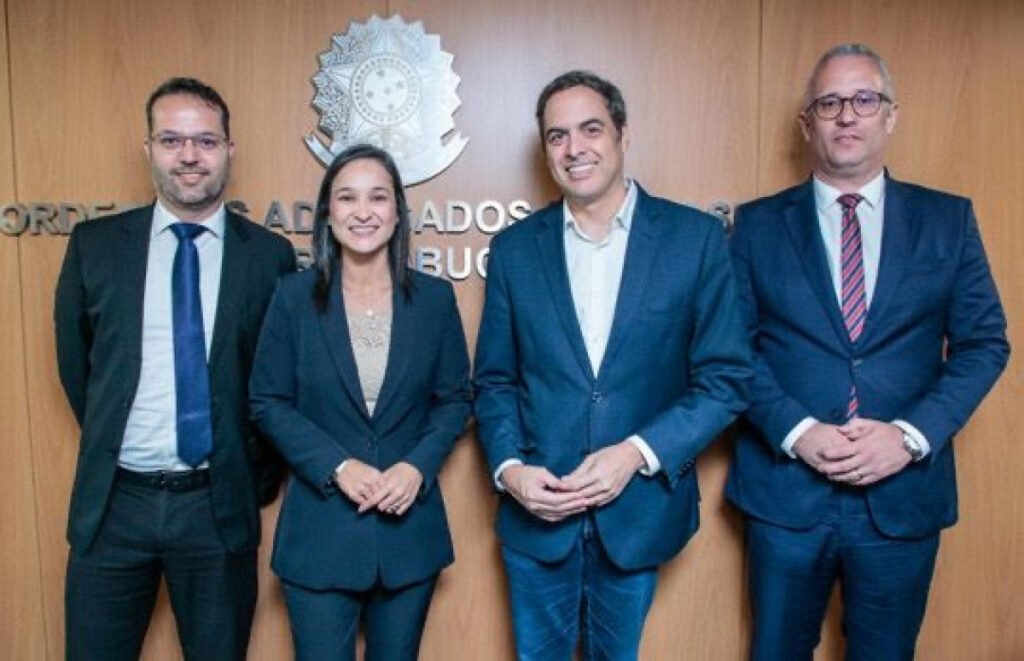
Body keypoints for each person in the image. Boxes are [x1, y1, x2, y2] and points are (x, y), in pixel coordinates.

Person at [726, 43, 1010, 660]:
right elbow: (731, 350)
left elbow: (985, 343)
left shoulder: (948, 220)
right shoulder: (754, 225)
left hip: (902, 497)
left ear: (890, 115)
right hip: (786, 496)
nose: (847, 115)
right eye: (829, 103)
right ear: (807, 123)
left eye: (864, 99)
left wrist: (908, 437)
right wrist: (798, 432)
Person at [473, 70, 751, 660]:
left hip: (640, 512)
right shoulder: (514, 250)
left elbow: (726, 380)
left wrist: (636, 454)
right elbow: (495, 381)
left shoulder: (695, 239)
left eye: (591, 129)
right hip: (536, 515)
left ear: (623, 134)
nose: (574, 148)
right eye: (557, 136)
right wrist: (510, 470)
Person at [54, 77, 296, 660]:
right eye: (171, 140)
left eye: (205, 141)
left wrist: (250, 476)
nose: (189, 156)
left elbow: (277, 381)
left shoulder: (269, 257)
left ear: (229, 150)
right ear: (149, 149)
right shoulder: (95, 246)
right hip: (114, 504)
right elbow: (78, 367)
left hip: (216, 506)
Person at [249, 144, 472, 661]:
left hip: (407, 534)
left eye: (378, 197)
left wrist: (417, 467)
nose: (363, 211)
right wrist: (337, 466)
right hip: (320, 532)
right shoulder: (292, 298)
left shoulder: (435, 299)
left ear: (398, 212)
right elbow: (267, 400)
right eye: (347, 198)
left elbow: (455, 399)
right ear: (328, 213)